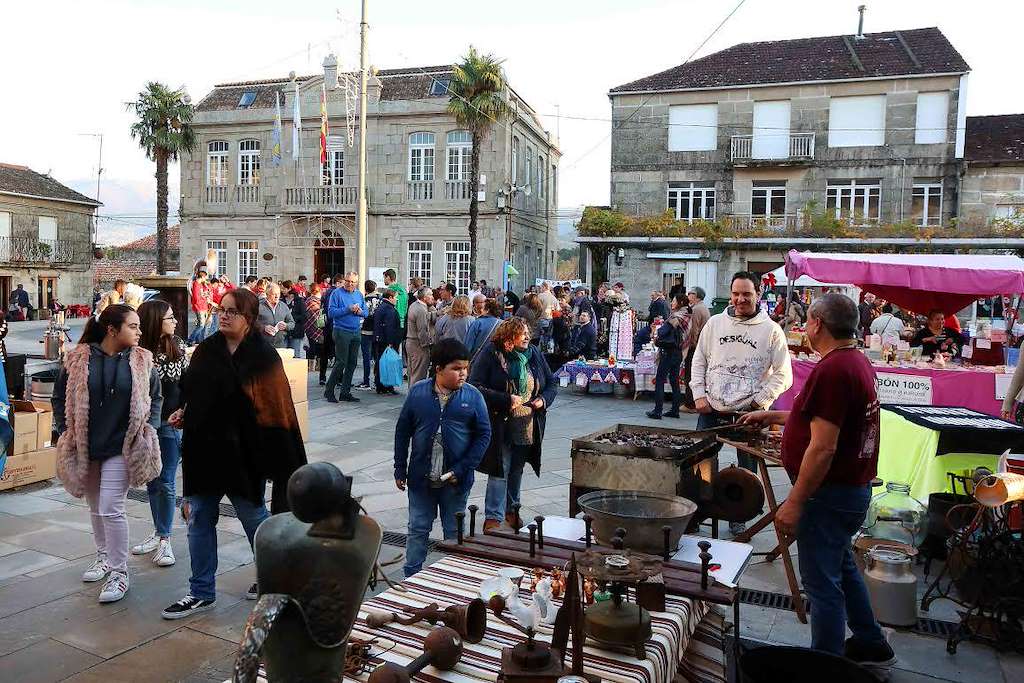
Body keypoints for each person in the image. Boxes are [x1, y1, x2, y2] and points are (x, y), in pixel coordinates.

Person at [739, 293, 895, 674]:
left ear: (816, 325)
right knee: (841, 565)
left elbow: (823, 447)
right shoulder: (854, 361)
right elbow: (826, 418)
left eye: (807, 321)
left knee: (822, 585)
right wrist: (777, 416)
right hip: (847, 492)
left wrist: (794, 501)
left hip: (830, 494)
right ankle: (871, 641)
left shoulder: (834, 370)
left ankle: (824, 666)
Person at [161, 288, 307, 619]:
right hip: (204, 453)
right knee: (198, 520)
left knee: (256, 522)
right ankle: (201, 591)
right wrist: (184, 411)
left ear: (249, 318)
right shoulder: (207, 351)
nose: (223, 315)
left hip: (244, 458)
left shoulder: (263, 356)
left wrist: (277, 459)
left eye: (232, 311)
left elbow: (275, 409)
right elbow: (191, 390)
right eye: (221, 310)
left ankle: (277, 581)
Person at [53, 304, 162, 604]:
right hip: (86, 445)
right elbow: (59, 396)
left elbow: (156, 396)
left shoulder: (142, 360)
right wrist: (65, 429)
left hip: (122, 446)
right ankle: (102, 556)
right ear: (113, 330)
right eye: (133, 326)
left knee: (111, 507)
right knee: (96, 508)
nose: (140, 332)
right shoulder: (78, 358)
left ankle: (119, 571)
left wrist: (148, 429)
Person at [690, 271, 792, 534]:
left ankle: (740, 515)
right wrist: (699, 394)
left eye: (746, 294)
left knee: (747, 469)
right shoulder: (714, 324)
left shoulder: (771, 331)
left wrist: (759, 402)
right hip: (711, 409)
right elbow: (699, 359)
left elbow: (784, 374)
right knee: (699, 463)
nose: (740, 299)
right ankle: (697, 511)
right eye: (736, 294)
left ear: (757, 294)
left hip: (749, 414)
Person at [394, 339, 491, 576]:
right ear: (438, 368)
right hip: (420, 478)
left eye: (465, 368)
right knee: (417, 528)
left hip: (455, 481)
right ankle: (412, 577)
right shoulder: (418, 393)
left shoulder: (473, 396)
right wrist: (399, 468)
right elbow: (402, 430)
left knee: (454, 531)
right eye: (456, 368)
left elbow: (484, 434)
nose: (463, 374)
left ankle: (454, 575)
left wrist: (464, 468)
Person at [469, 318, 557, 533]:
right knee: (501, 467)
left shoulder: (534, 353)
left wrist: (543, 400)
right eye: (522, 333)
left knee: (517, 467)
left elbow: (551, 383)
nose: (527, 337)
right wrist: (505, 399)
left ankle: (512, 510)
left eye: (528, 332)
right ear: (508, 337)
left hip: (527, 422)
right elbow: (475, 385)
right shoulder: (492, 353)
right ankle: (493, 516)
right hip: (501, 421)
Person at [130, 300, 187, 568]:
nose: (175, 321)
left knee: (165, 481)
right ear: (155, 321)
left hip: (170, 424)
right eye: (170, 318)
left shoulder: (178, 346)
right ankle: (158, 531)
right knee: (152, 481)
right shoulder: (138, 353)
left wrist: (185, 411)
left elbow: (185, 385)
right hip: (144, 425)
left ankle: (165, 539)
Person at [324, 272, 367, 403]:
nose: (349, 284)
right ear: (344, 280)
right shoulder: (336, 293)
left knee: (352, 363)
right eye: (347, 281)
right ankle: (329, 390)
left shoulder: (359, 294)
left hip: (356, 331)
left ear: (356, 283)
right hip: (341, 330)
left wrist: (360, 312)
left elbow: (366, 312)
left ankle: (345, 392)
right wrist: (348, 309)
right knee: (341, 361)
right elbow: (331, 313)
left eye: (353, 282)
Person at [647, 294, 689, 420]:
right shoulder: (687, 315)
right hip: (678, 352)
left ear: (680, 302)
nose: (672, 303)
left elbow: (663, 331)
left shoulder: (676, 316)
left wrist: (656, 331)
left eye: (674, 301)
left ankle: (658, 411)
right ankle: (675, 410)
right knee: (674, 381)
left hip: (669, 352)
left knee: (660, 380)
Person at [683, 286, 711, 409]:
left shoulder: (697, 309)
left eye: (691, 293)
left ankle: (690, 404)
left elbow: (693, 330)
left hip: (695, 347)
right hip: (702, 345)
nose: (688, 294)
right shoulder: (702, 307)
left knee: (691, 374)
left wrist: (690, 346)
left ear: (697, 296)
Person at [373, 288, 403, 394]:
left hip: (380, 339)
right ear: (390, 298)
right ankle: (387, 385)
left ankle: (380, 385)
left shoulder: (381, 307)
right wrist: (390, 342)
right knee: (388, 364)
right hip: (387, 341)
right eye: (395, 298)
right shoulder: (389, 309)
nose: (397, 300)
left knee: (381, 362)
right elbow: (389, 327)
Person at [406, 287, 436, 386]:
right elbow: (422, 331)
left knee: (412, 373)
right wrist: (428, 345)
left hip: (411, 342)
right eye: (430, 295)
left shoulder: (414, 305)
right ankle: (415, 398)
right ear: (424, 297)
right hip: (418, 345)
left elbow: (427, 317)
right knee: (418, 375)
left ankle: (411, 396)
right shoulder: (421, 309)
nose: (432, 297)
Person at [357, 280, 382, 390]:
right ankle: (377, 380)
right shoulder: (380, 299)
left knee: (366, 357)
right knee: (377, 356)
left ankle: (366, 381)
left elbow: (362, 316)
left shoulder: (365, 300)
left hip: (366, 330)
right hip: (377, 330)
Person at [257, 283, 295, 349]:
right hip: (262, 346)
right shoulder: (259, 305)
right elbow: (251, 323)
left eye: (278, 293)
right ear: (267, 294)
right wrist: (264, 328)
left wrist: (286, 326)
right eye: (274, 294)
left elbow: (292, 323)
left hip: (280, 346)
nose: (277, 296)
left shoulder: (283, 306)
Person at [304, 284, 327, 375]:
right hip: (319, 325)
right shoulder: (319, 300)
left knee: (313, 346)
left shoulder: (310, 300)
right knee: (315, 346)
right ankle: (315, 366)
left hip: (313, 325)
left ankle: (314, 366)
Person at [283, 285, 308, 359]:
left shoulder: (299, 301)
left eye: (284, 288)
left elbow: (304, 316)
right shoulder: (282, 300)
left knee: (294, 354)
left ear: (289, 289)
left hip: (296, 331)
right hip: (284, 332)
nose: (282, 290)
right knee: (283, 355)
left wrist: (292, 318)